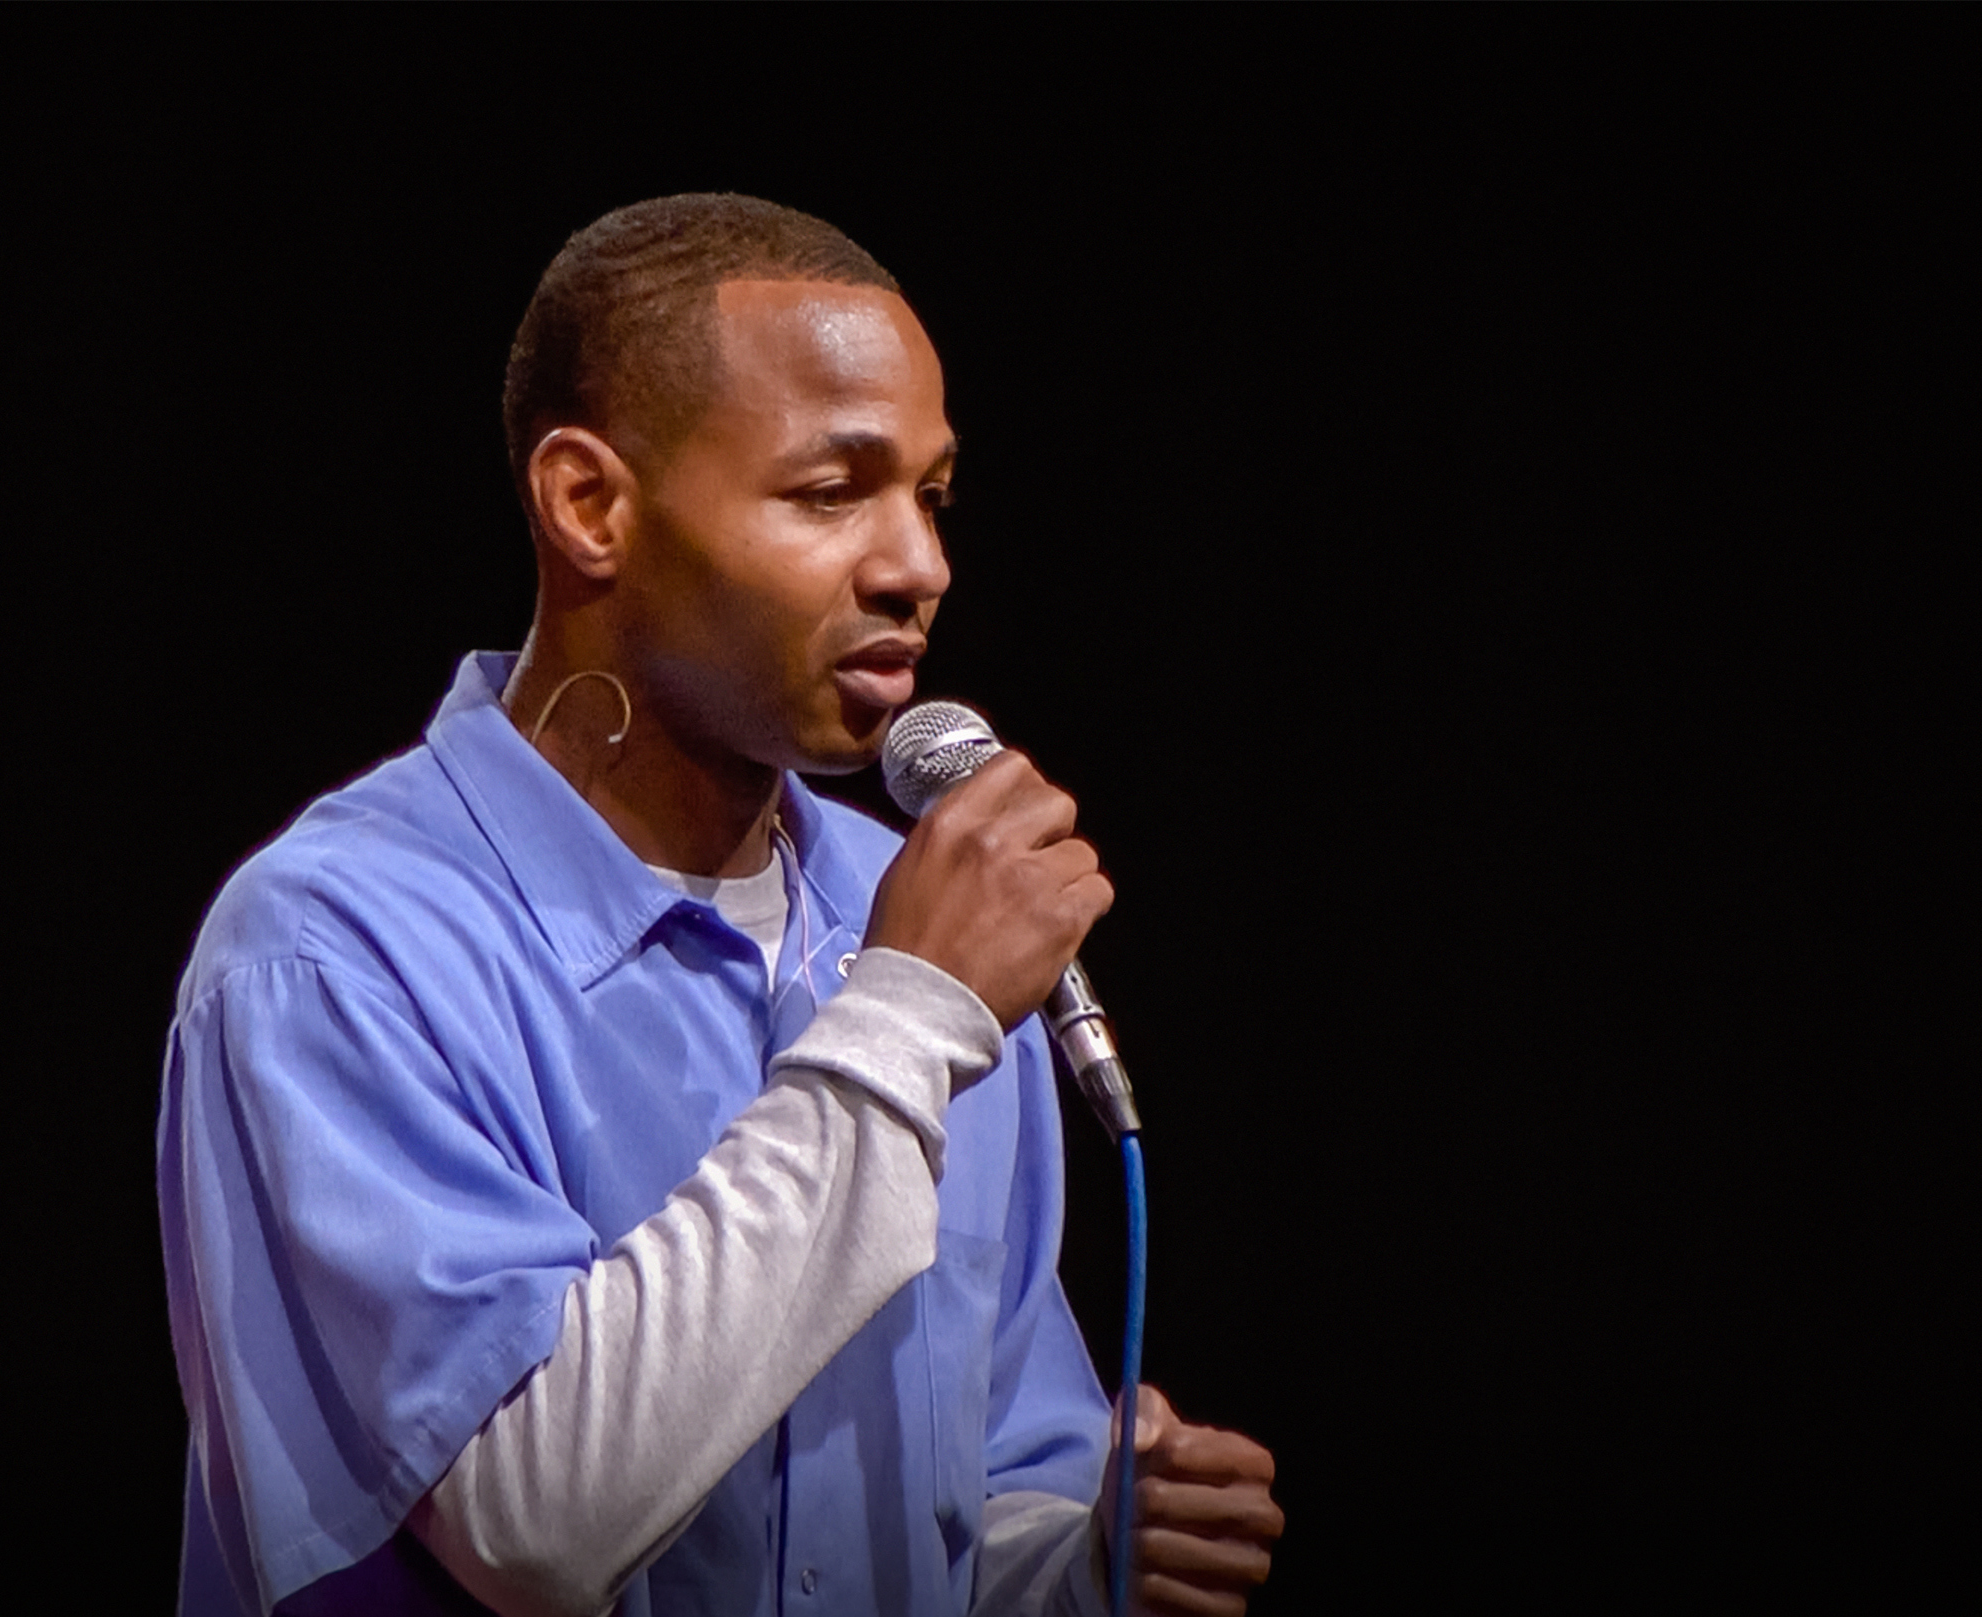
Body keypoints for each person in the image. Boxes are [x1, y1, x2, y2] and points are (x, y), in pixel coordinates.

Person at [158, 194, 1282, 1617]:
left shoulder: (911, 909)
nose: (917, 566)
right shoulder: (334, 945)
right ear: (590, 505)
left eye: (930, 497)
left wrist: (1079, 1557)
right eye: (831, 491)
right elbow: (535, 1517)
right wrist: (907, 1017)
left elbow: (967, 1503)